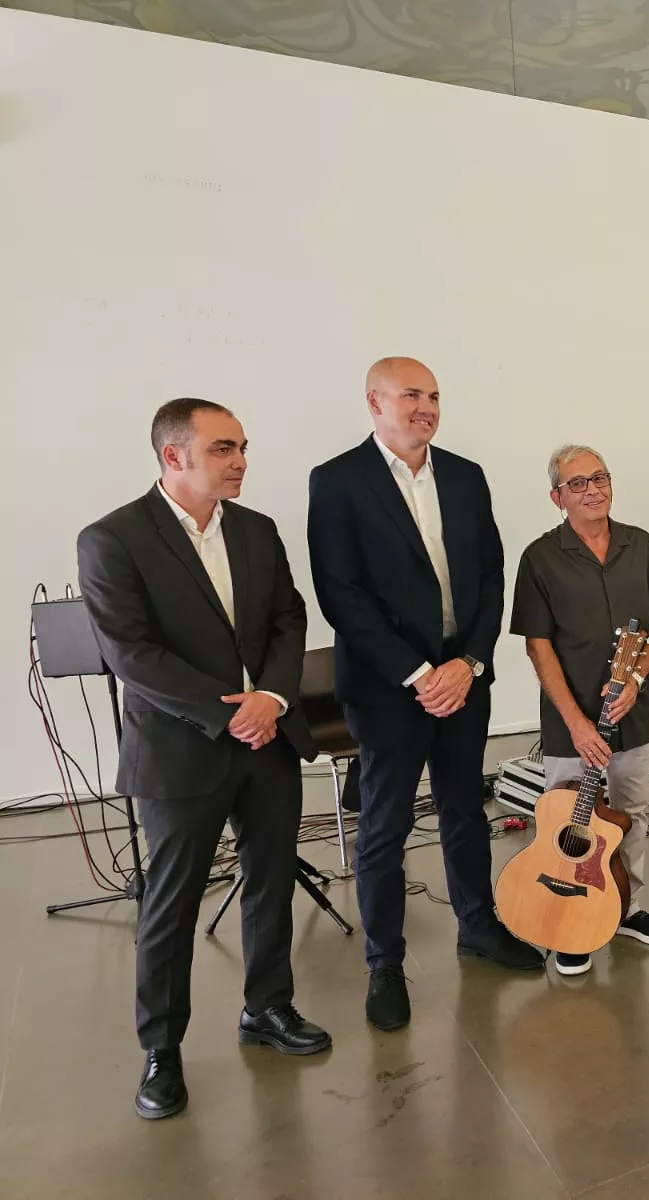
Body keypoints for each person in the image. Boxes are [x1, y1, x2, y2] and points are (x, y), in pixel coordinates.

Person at [78, 398, 330, 1122]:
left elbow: (287, 617)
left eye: (243, 447)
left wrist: (272, 698)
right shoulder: (113, 539)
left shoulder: (256, 530)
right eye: (223, 448)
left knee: (270, 881)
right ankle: (162, 1048)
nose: (241, 461)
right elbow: (131, 653)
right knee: (171, 902)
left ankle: (268, 1007)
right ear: (173, 455)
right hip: (180, 751)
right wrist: (231, 712)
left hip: (268, 738)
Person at [307, 357, 543, 1035]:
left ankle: (478, 925)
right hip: (388, 687)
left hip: (463, 676)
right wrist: (418, 673)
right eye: (411, 394)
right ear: (374, 402)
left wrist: (469, 661)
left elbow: (491, 576)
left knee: (465, 808)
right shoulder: (338, 481)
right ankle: (384, 963)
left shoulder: (465, 476)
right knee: (385, 826)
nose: (426, 407)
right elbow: (341, 595)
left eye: (434, 395)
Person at [509, 444, 649, 976]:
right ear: (557, 497)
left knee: (632, 814)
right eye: (578, 483)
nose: (592, 490)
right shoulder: (539, 558)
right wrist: (576, 723)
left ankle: (625, 907)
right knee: (567, 822)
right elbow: (538, 646)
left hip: (632, 711)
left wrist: (637, 677)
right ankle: (568, 918)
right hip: (571, 721)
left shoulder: (641, 545)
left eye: (599, 478)